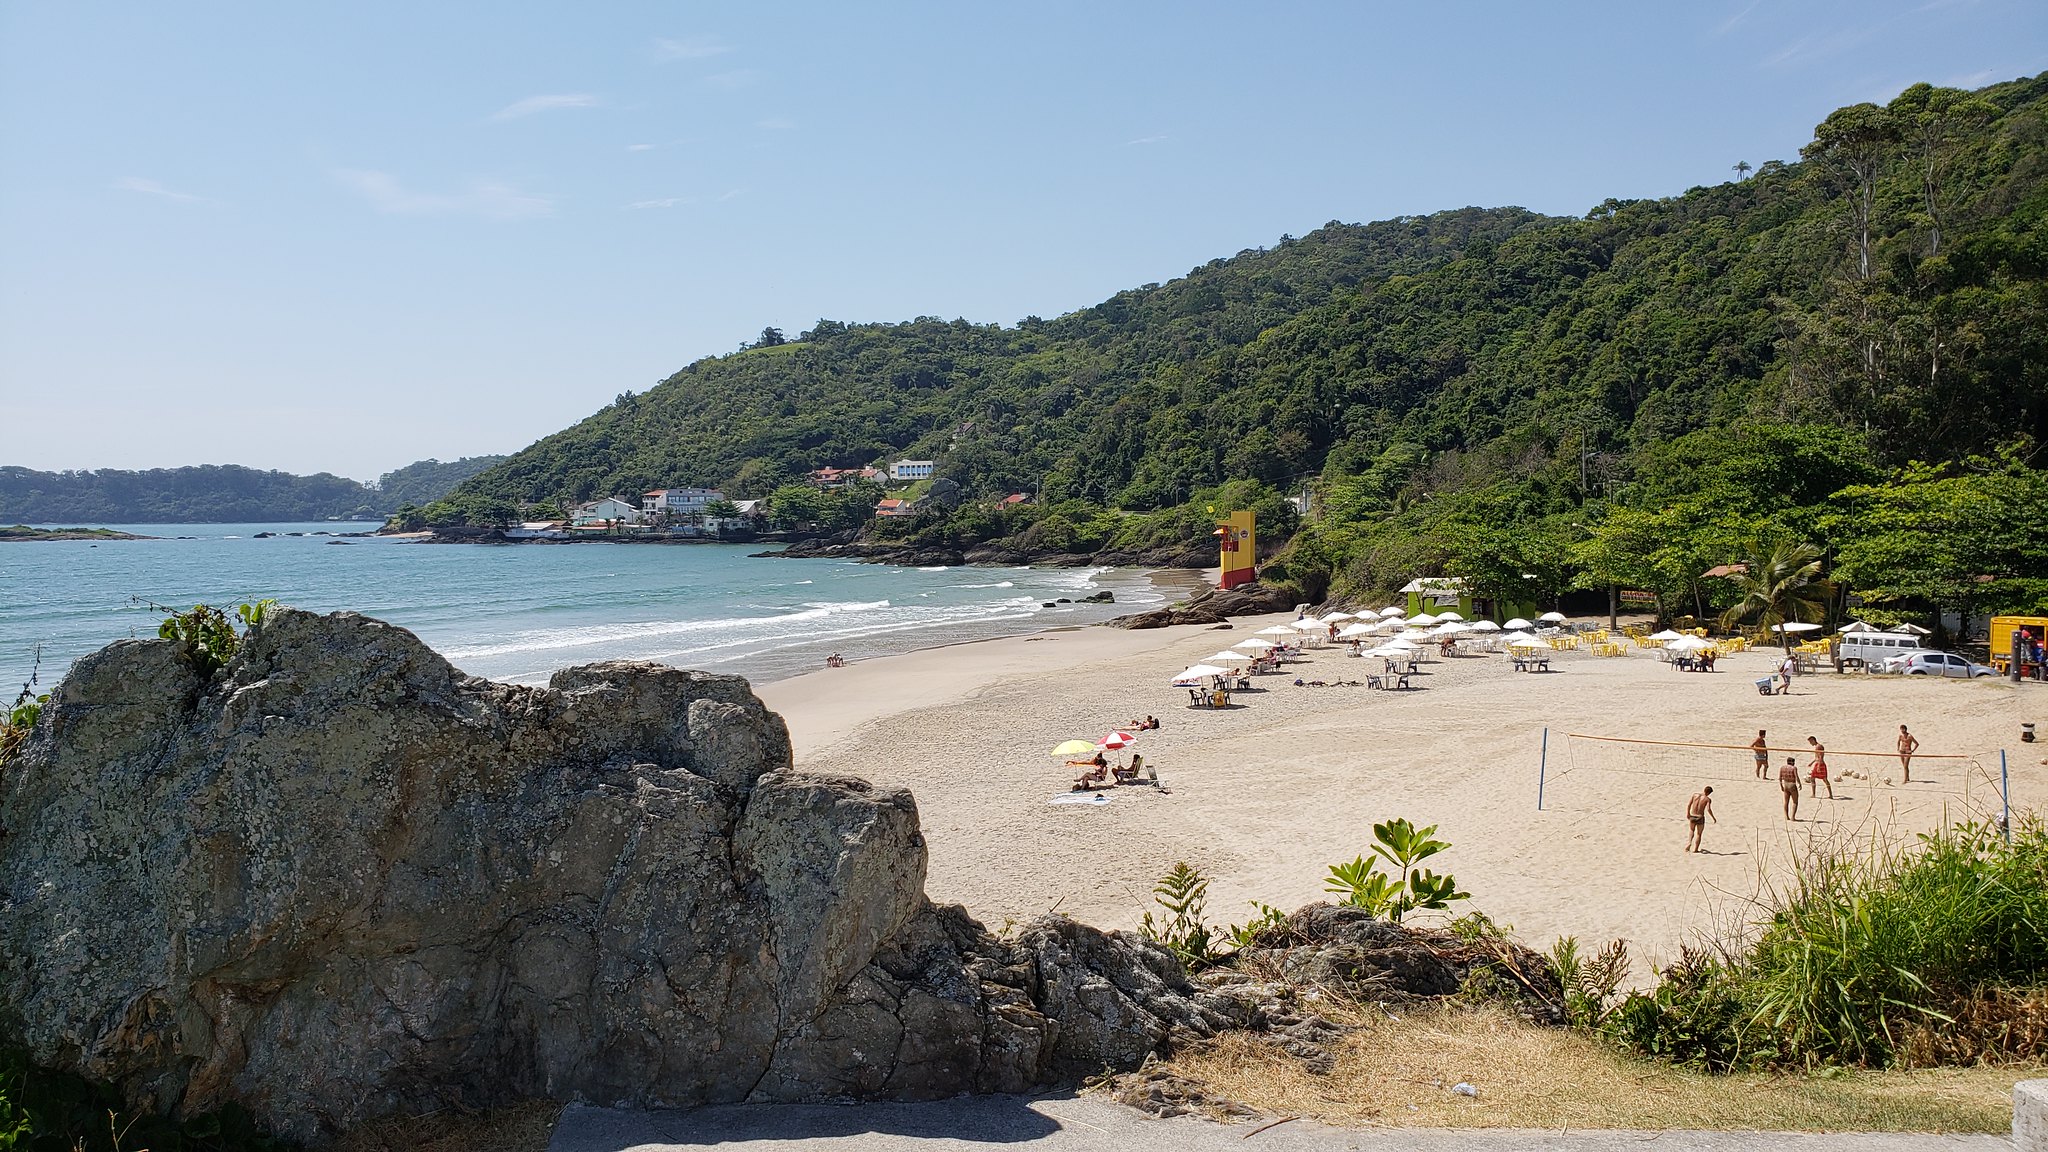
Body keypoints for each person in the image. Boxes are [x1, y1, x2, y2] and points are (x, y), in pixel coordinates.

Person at [1685, 786, 1717, 852]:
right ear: (1709, 793)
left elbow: (1689, 805)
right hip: (1700, 817)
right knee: (1699, 834)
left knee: (1691, 830)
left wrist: (1688, 813)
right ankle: (1696, 849)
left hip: (1693, 815)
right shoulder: (1707, 799)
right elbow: (1708, 809)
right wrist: (1713, 818)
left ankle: (1689, 842)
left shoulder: (1695, 795)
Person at [1806, 735, 1832, 799]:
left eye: (1810, 742)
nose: (1810, 743)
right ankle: (1814, 794)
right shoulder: (1818, 746)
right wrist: (1812, 763)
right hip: (1818, 763)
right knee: (1814, 778)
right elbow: (1817, 757)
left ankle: (1829, 795)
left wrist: (1819, 766)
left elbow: (1820, 756)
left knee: (1824, 779)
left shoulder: (1818, 747)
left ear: (1813, 740)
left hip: (1820, 764)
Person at [1779, 755, 1802, 821]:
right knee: (1795, 802)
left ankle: (1786, 816)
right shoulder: (1793, 768)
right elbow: (1796, 776)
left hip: (1785, 784)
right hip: (1792, 784)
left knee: (1786, 802)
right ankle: (1793, 817)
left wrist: (1781, 786)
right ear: (1792, 762)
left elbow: (1780, 778)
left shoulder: (1782, 767)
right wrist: (1799, 783)